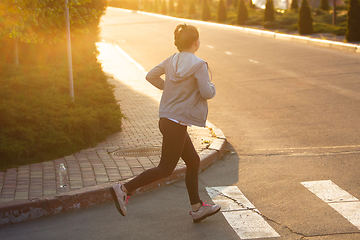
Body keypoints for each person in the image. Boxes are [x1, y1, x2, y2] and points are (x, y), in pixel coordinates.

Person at [110, 23, 220, 223]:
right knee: (166, 168)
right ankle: (124, 189)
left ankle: (197, 208)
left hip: (167, 119)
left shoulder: (171, 60)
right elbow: (206, 92)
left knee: (193, 161)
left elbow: (150, 75)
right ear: (196, 42)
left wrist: (168, 88)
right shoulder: (199, 64)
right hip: (176, 123)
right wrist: (212, 88)